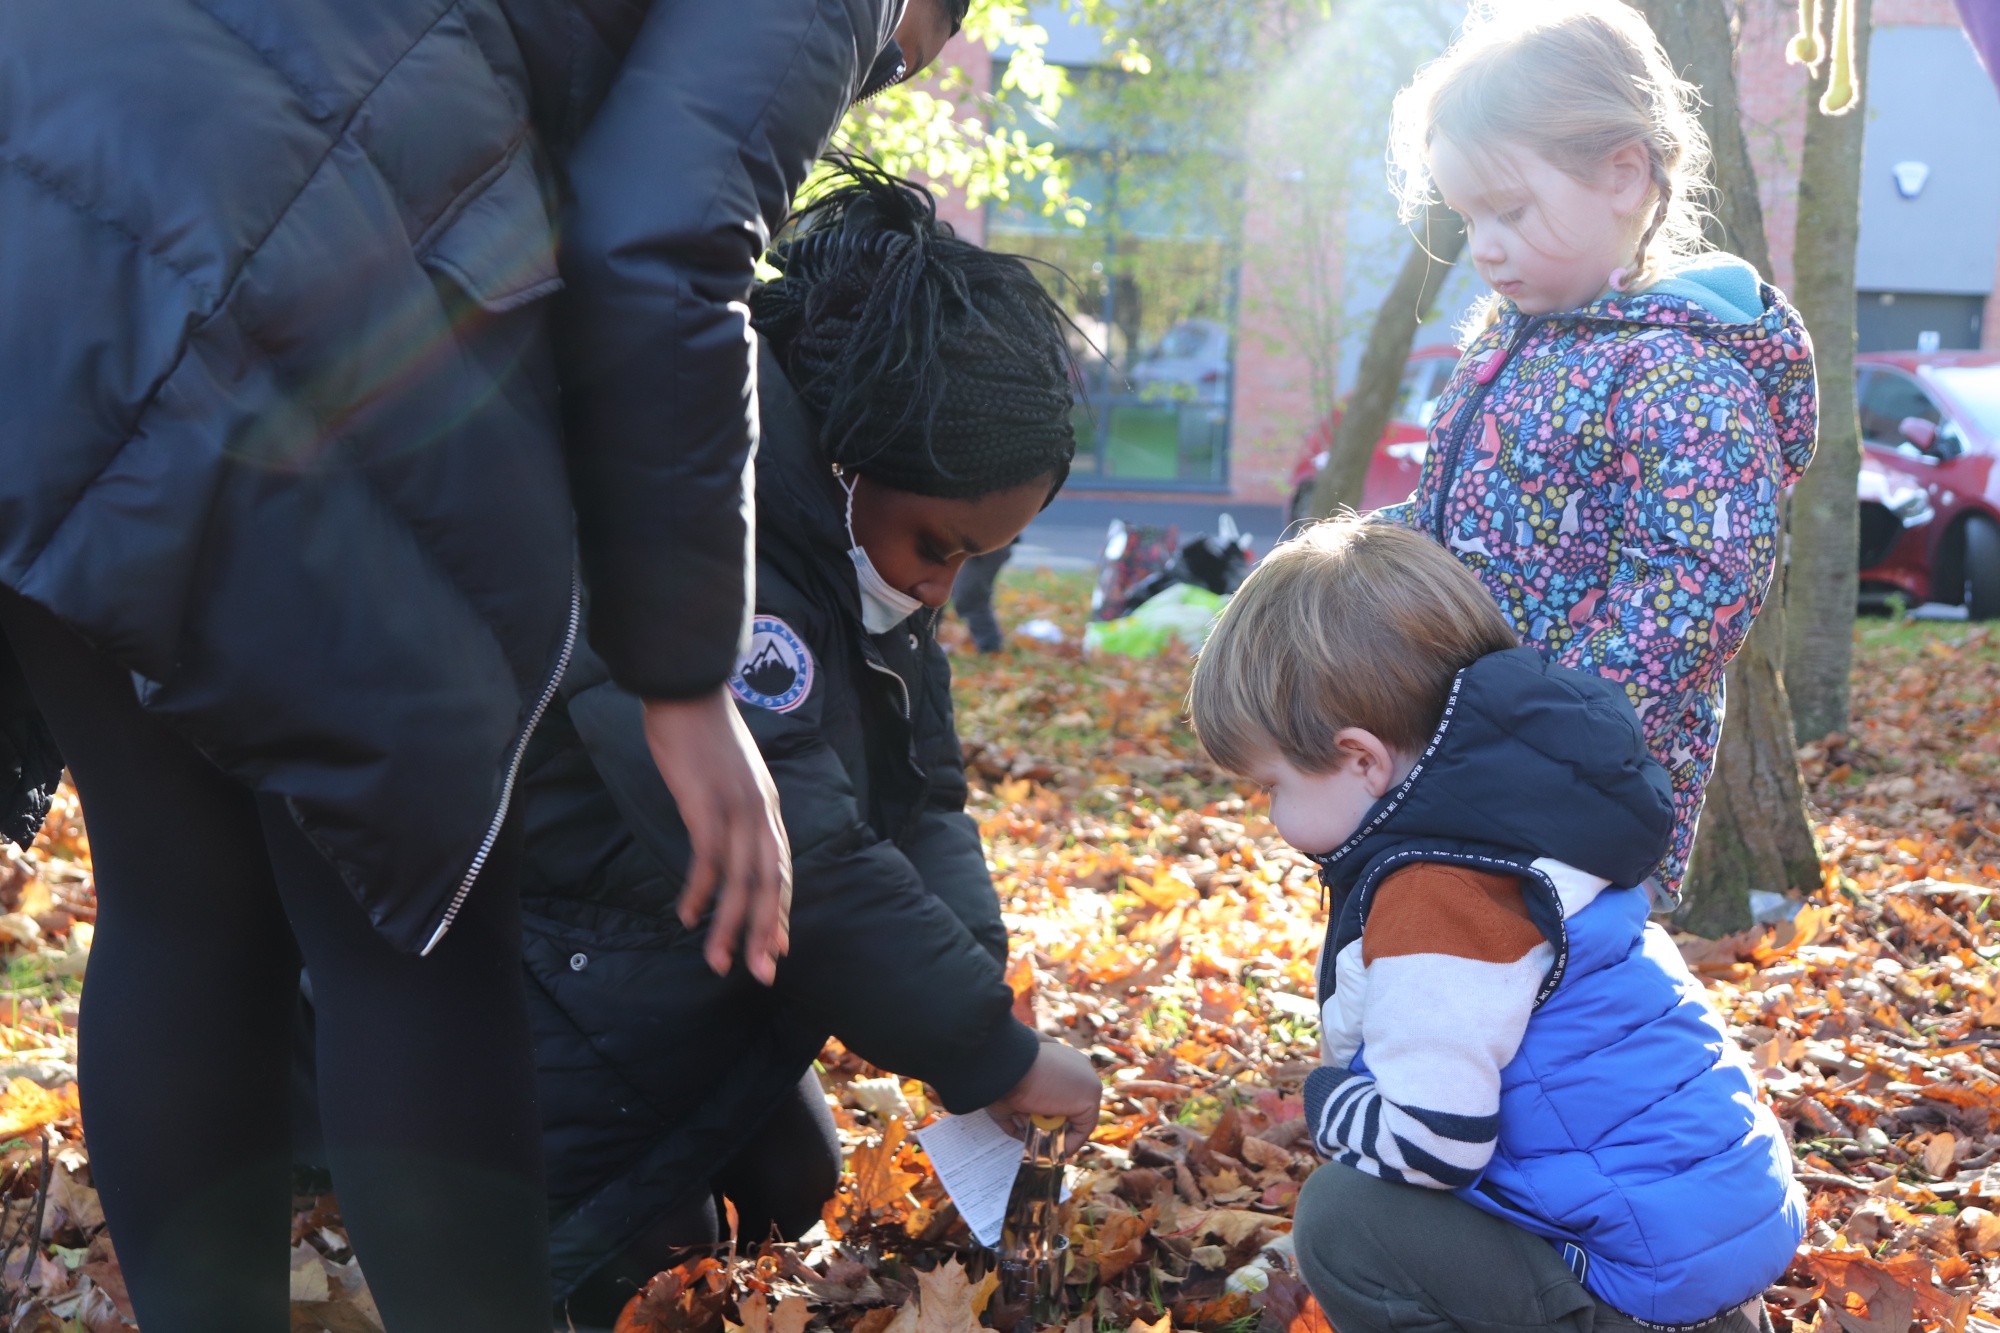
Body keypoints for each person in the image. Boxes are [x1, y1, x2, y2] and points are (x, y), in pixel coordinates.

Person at [0, 1, 964, 1327]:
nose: (872, 79)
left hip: (40, 198)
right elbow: (663, 239)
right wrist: (683, 680)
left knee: (176, 893)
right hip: (302, 274)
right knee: (412, 920)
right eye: (898, 61)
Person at [518, 162, 1103, 1324]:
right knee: (640, 1269)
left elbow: (923, 793)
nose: (939, 587)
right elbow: (805, 843)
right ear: (847, 457)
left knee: (793, 1187)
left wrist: (974, 992)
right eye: (935, 545)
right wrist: (986, 1052)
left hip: (670, 960)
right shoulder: (698, 519)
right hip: (547, 955)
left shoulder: (867, 563)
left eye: (970, 562)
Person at [1187, 519, 1803, 1332]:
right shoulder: (1533, 823)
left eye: (1270, 784)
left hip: (1642, 1292)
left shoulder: (1437, 896)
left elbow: (1433, 1143)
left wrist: (1329, 1101)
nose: (1270, 813)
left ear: (1361, 758)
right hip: (1702, 1245)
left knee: (1346, 1217)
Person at [1377, 0, 1818, 900]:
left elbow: (1700, 580)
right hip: (1471, 750)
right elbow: (1457, 516)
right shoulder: (1513, 343)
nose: (1487, 249)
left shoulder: (1679, 370)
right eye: (1469, 219)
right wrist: (1362, 560)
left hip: (1587, 788)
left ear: (1623, 174)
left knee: (1548, 990)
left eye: (1509, 210)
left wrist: (1561, 722)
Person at [952, 542, 1018, 651]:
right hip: (963, 541)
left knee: (971, 597)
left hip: (987, 542)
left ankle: (990, 647)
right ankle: (927, 640)